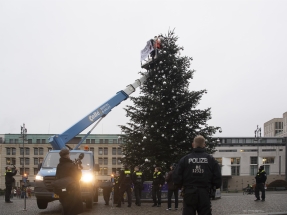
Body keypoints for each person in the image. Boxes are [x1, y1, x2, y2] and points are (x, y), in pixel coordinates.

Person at [173, 135, 222, 215]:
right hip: (205, 192)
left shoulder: (185, 159)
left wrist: (181, 185)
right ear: (204, 145)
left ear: (193, 145)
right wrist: (214, 186)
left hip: (189, 192)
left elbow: (176, 176)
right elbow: (217, 177)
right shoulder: (211, 159)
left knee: (188, 212)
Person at [56, 148, 84, 215]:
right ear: (67, 155)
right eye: (69, 154)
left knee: (65, 208)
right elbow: (78, 177)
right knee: (72, 209)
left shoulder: (59, 165)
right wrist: (78, 169)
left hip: (62, 189)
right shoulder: (71, 165)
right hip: (72, 190)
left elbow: (57, 176)